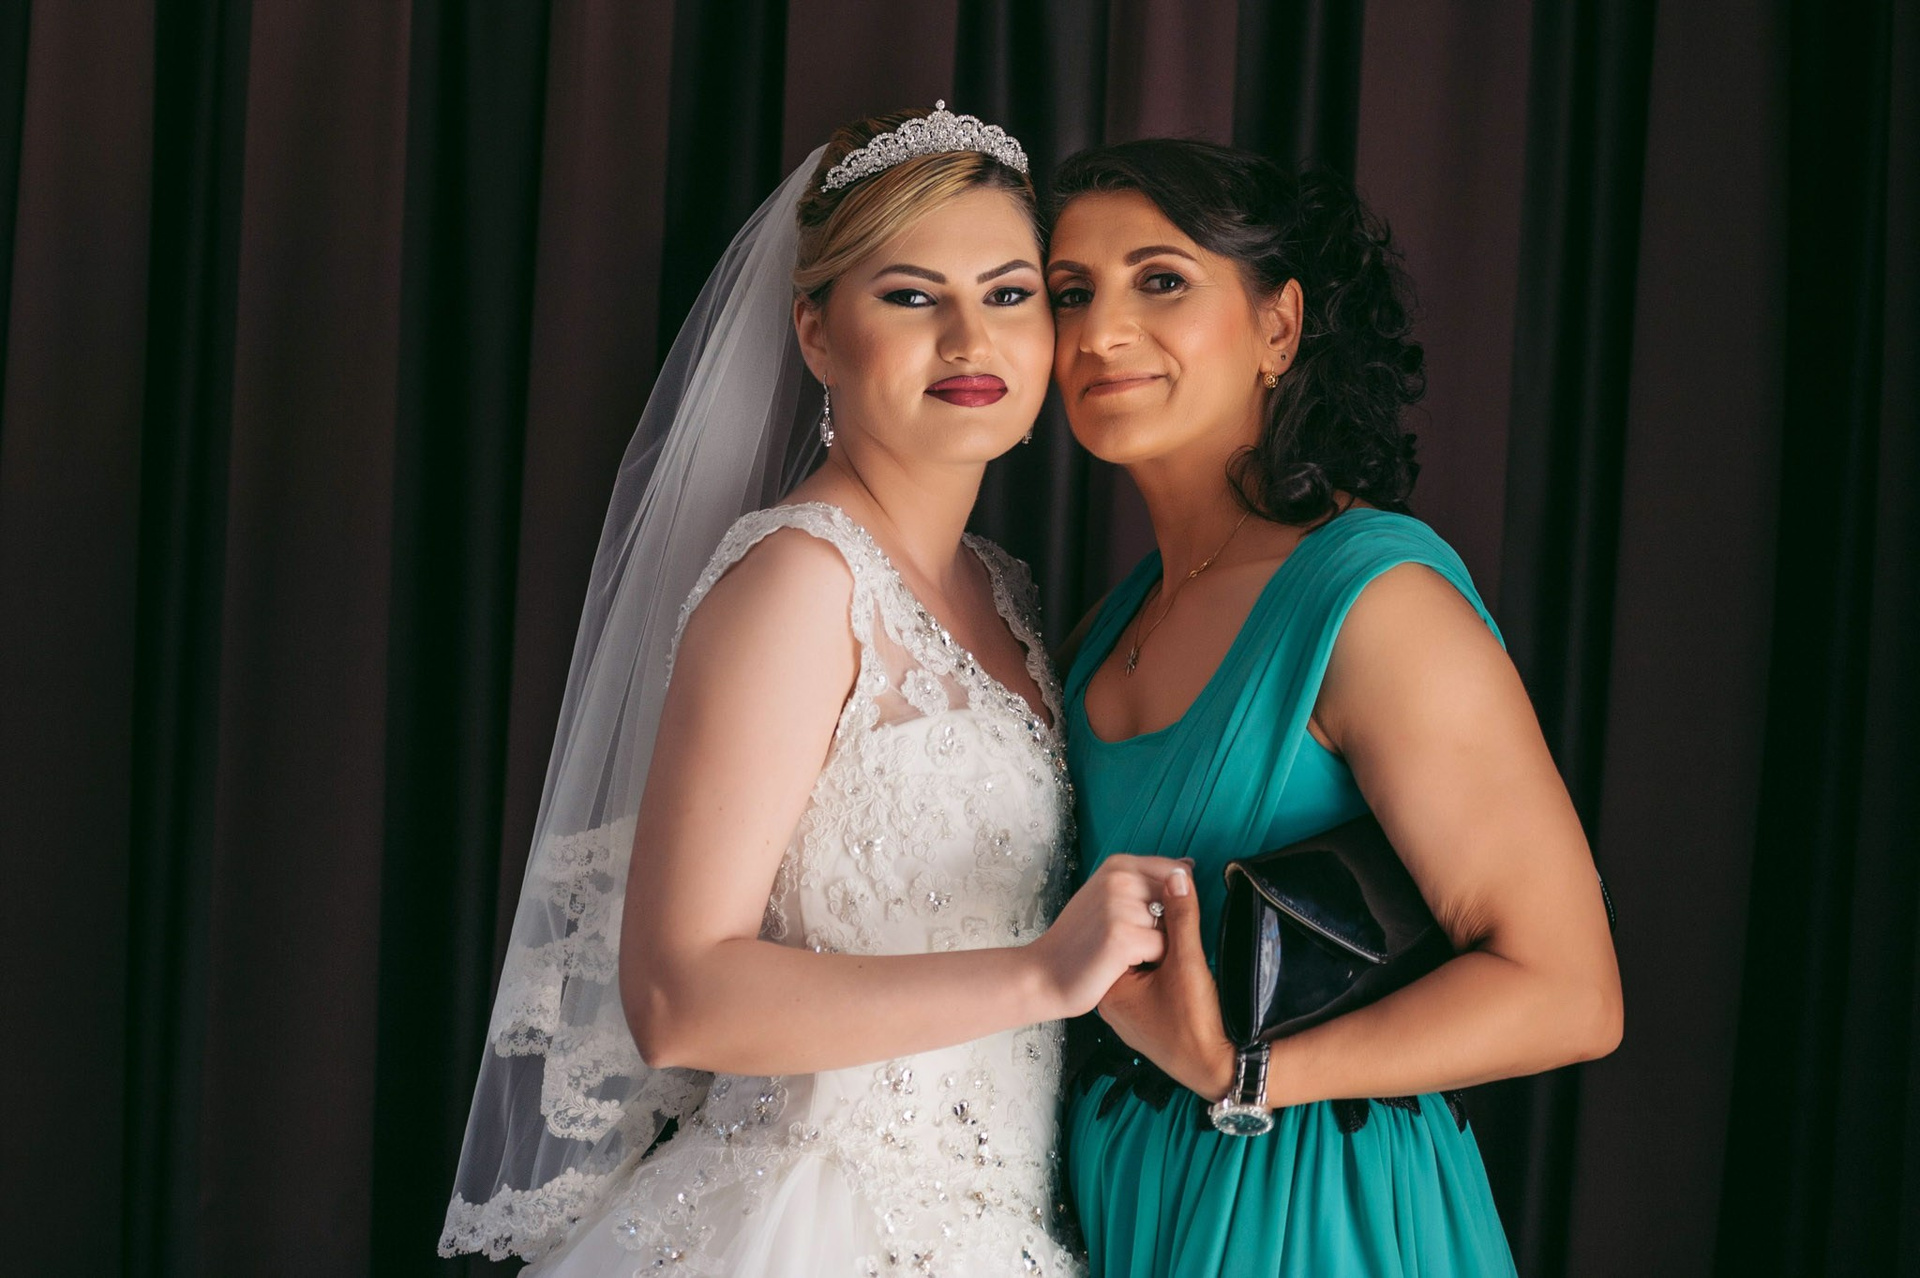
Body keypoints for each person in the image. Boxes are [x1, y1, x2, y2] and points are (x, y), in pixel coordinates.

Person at [439, 106, 1183, 1277]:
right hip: (815, 1221)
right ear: (816, 332)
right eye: (911, 297)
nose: (969, 339)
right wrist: (1044, 974)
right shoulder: (800, 583)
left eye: (1007, 293)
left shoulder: (1000, 591)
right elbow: (679, 995)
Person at [1043, 138, 1624, 1276]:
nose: (1100, 332)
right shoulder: (1106, 626)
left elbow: (1572, 993)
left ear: (1280, 326)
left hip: (1314, 1208)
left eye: (1160, 279)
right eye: (1071, 292)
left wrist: (1245, 1074)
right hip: (1129, 1197)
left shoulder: (1375, 603)